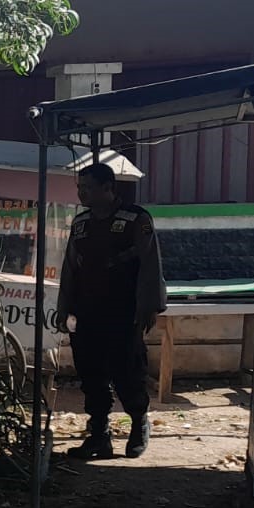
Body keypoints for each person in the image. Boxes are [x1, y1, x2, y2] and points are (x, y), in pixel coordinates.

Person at [55, 162, 166, 460]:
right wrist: (63, 308)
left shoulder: (135, 220)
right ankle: (99, 436)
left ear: (108, 188)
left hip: (123, 313)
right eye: (79, 187)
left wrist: (148, 306)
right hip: (87, 313)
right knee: (91, 375)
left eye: (87, 187)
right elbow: (70, 268)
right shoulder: (81, 224)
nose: (82, 193)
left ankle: (139, 424)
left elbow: (150, 265)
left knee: (127, 371)